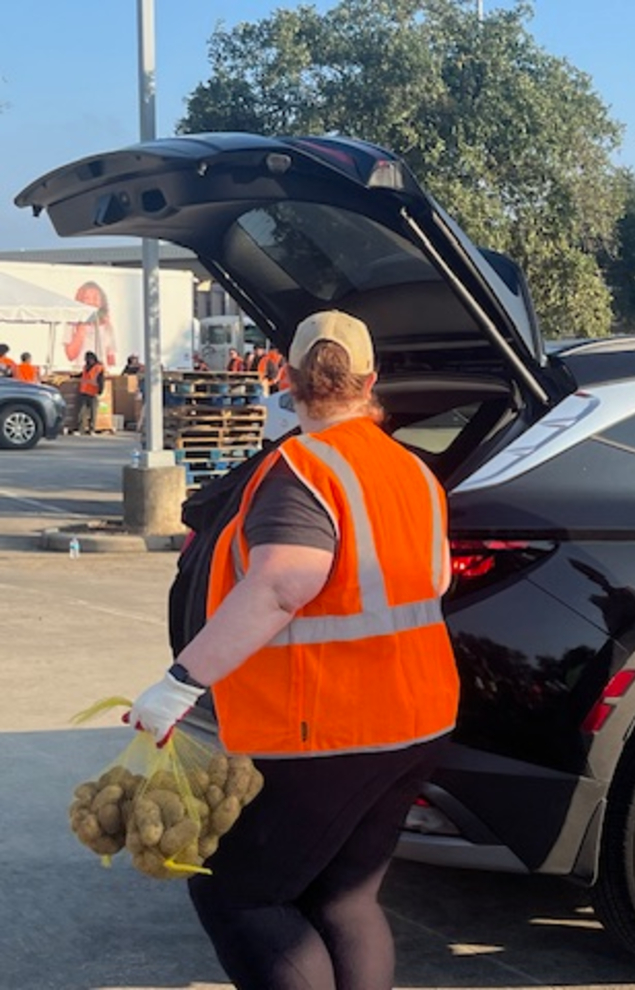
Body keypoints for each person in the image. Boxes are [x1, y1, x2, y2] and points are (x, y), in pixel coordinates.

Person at [126, 309, 459, 990]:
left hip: (329, 727)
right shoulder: (413, 473)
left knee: (243, 897)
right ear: (372, 381)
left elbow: (282, 583)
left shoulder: (303, 470)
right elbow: (439, 578)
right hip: (418, 717)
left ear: (284, 376)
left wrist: (181, 683)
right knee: (343, 898)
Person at [76, 350, 105, 435]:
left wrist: (100, 391)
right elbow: (83, 375)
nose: (87, 361)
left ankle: (92, 429)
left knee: (93, 412)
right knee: (82, 411)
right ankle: (81, 429)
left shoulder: (98, 368)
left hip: (93, 392)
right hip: (84, 391)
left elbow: (101, 380)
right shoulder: (86, 367)